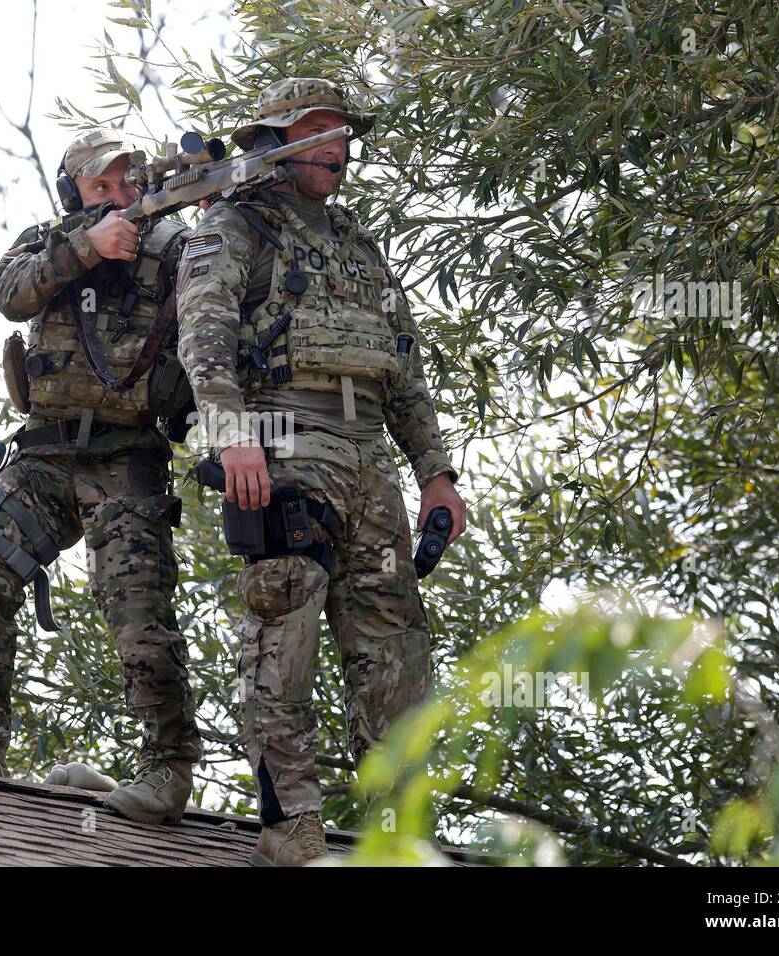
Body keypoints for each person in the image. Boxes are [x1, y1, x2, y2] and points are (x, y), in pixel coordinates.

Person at [174, 79, 467, 864]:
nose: (337, 146)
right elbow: (202, 336)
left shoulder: (356, 241)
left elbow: (404, 365)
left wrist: (436, 471)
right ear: (272, 142)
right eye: (316, 132)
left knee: (395, 647)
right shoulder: (236, 226)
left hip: (369, 453)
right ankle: (291, 827)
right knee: (284, 626)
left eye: (343, 134)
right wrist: (233, 433)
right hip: (282, 434)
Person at [0, 127, 202, 826]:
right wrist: (88, 246)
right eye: (100, 187)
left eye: (127, 182)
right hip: (45, 455)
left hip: (127, 455)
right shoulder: (47, 240)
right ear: (74, 193)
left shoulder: (175, 246)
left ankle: (167, 770)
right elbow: (9, 292)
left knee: (137, 607)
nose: (119, 196)